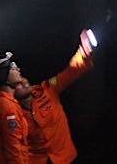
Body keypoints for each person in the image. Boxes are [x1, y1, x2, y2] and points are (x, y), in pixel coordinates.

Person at [17, 30, 95, 164]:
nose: (23, 81)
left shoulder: (47, 88)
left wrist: (83, 52)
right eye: (17, 84)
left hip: (66, 158)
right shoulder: (11, 111)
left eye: (22, 78)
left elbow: (69, 72)